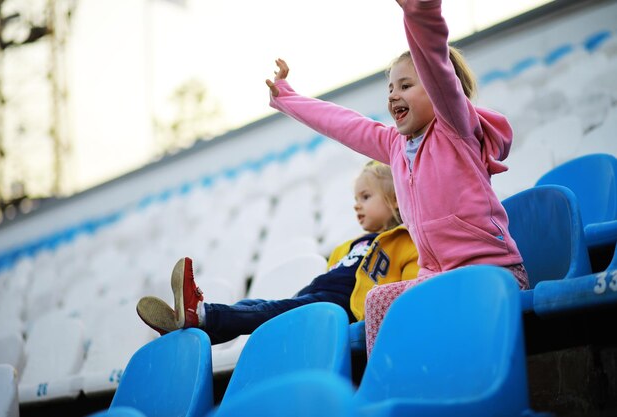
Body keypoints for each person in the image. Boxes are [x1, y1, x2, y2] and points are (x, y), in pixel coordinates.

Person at [265, 0, 530, 355]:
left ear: (438, 92)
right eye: (390, 88)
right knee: (379, 300)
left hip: (491, 273)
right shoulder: (394, 145)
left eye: (406, 85)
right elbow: (342, 123)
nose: (393, 95)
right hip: (436, 279)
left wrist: (419, 11)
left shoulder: (455, 126)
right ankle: (391, 387)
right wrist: (288, 97)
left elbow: (434, 59)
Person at [136, 161, 419, 344]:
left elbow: (410, 294)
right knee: (252, 304)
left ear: (395, 199)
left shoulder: (406, 240)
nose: (357, 205)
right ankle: (187, 329)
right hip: (314, 297)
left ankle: (198, 313)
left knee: (266, 311)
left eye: (366, 197)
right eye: (356, 198)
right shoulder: (348, 246)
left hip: (337, 308)